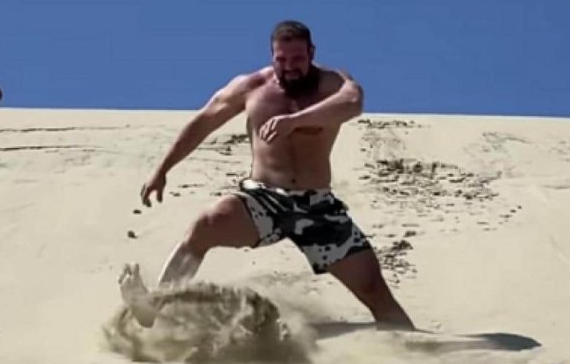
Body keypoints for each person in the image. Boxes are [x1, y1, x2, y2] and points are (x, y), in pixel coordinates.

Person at [119, 20, 415, 331]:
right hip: (263, 198)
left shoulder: (331, 82)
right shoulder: (251, 87)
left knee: (374, 291)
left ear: (312, 53)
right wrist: (162, 169)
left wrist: (295, 121)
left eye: (298, 59)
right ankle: (156, 305)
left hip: (317, 207)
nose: (290, 67)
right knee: (205, 226)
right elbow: (204, 121)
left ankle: (416, 352)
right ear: (272, 55)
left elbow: (353, 103)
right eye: (281, 59)